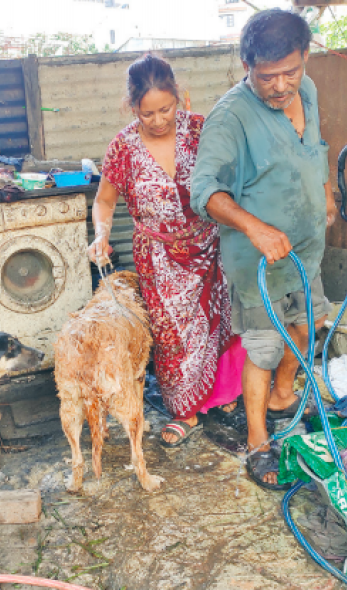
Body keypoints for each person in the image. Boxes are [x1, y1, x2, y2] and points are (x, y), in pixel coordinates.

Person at [191, 9, 338, 488]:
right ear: (246, 66)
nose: (279, 86)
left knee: (306, 327)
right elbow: (203, 190)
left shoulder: (308, 91)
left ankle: (282, 397)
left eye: (289, 72)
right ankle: (257, 441)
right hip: (257, 260)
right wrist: (252, 226)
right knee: (263, 346)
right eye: (266, 76)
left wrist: (326, 191)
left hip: (305, 251)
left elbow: (315, 145)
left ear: (305, 58)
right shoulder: (229, 117)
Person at [88, 53, 236, 447]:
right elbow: (104, 201)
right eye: (146, 113)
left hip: (210, 247)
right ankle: (184, 410)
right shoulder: (122, 147)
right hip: (158, 256)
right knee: (172, 335)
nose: (157, 120)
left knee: (218, 321)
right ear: (132, 106)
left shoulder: (202, 129)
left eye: (165, 109)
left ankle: (220, 396)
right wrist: (100, 234)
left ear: (179, 96)